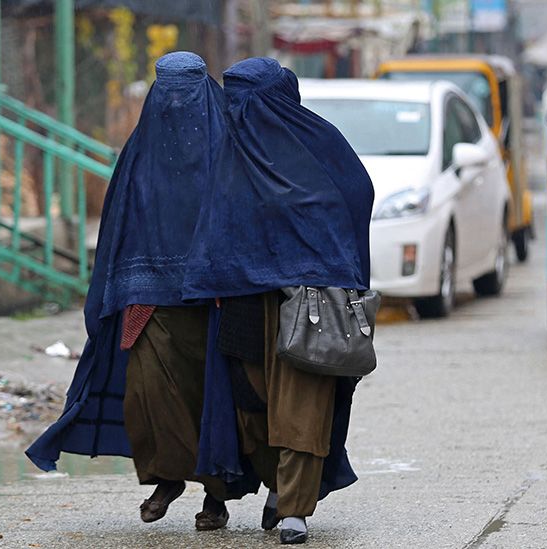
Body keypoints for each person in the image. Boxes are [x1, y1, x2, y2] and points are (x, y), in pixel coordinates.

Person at [26, 51, 240, 530]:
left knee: (214, 401)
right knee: (149, 394)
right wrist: (116, 289)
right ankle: (167, 478)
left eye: (186, 88)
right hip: (149, 300)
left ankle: (216, 496)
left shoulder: (230, 148)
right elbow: (119, 226)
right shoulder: (140, 154)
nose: (177, 100)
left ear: (204, 89)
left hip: (216, 300)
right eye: (167, 88)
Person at [183, 57, 374, 544]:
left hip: (310, 299)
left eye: (247, 97)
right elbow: (212, 219)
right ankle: (275, 487)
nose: (237, 109)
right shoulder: (228, 149)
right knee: (252, 403)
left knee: (303, 405)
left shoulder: (319, 145)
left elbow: (352, 195)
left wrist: (317, 256)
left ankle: (294, 509)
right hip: (245, 298)